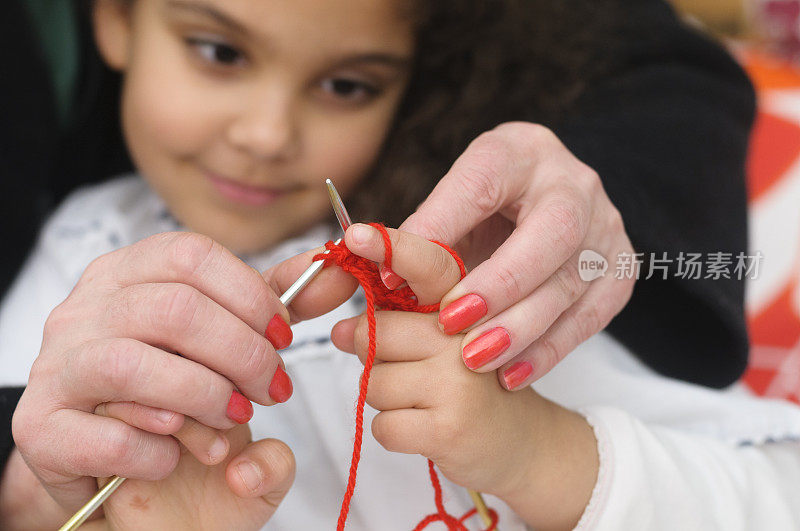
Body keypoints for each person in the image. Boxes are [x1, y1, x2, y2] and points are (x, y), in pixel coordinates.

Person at [0, 0, 791, 529]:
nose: (269, 132)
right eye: (219, 52)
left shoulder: (464, 295)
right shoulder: (77, 273)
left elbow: (773, 494)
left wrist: (535, 448)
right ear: (114, 20)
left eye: (346, 85)